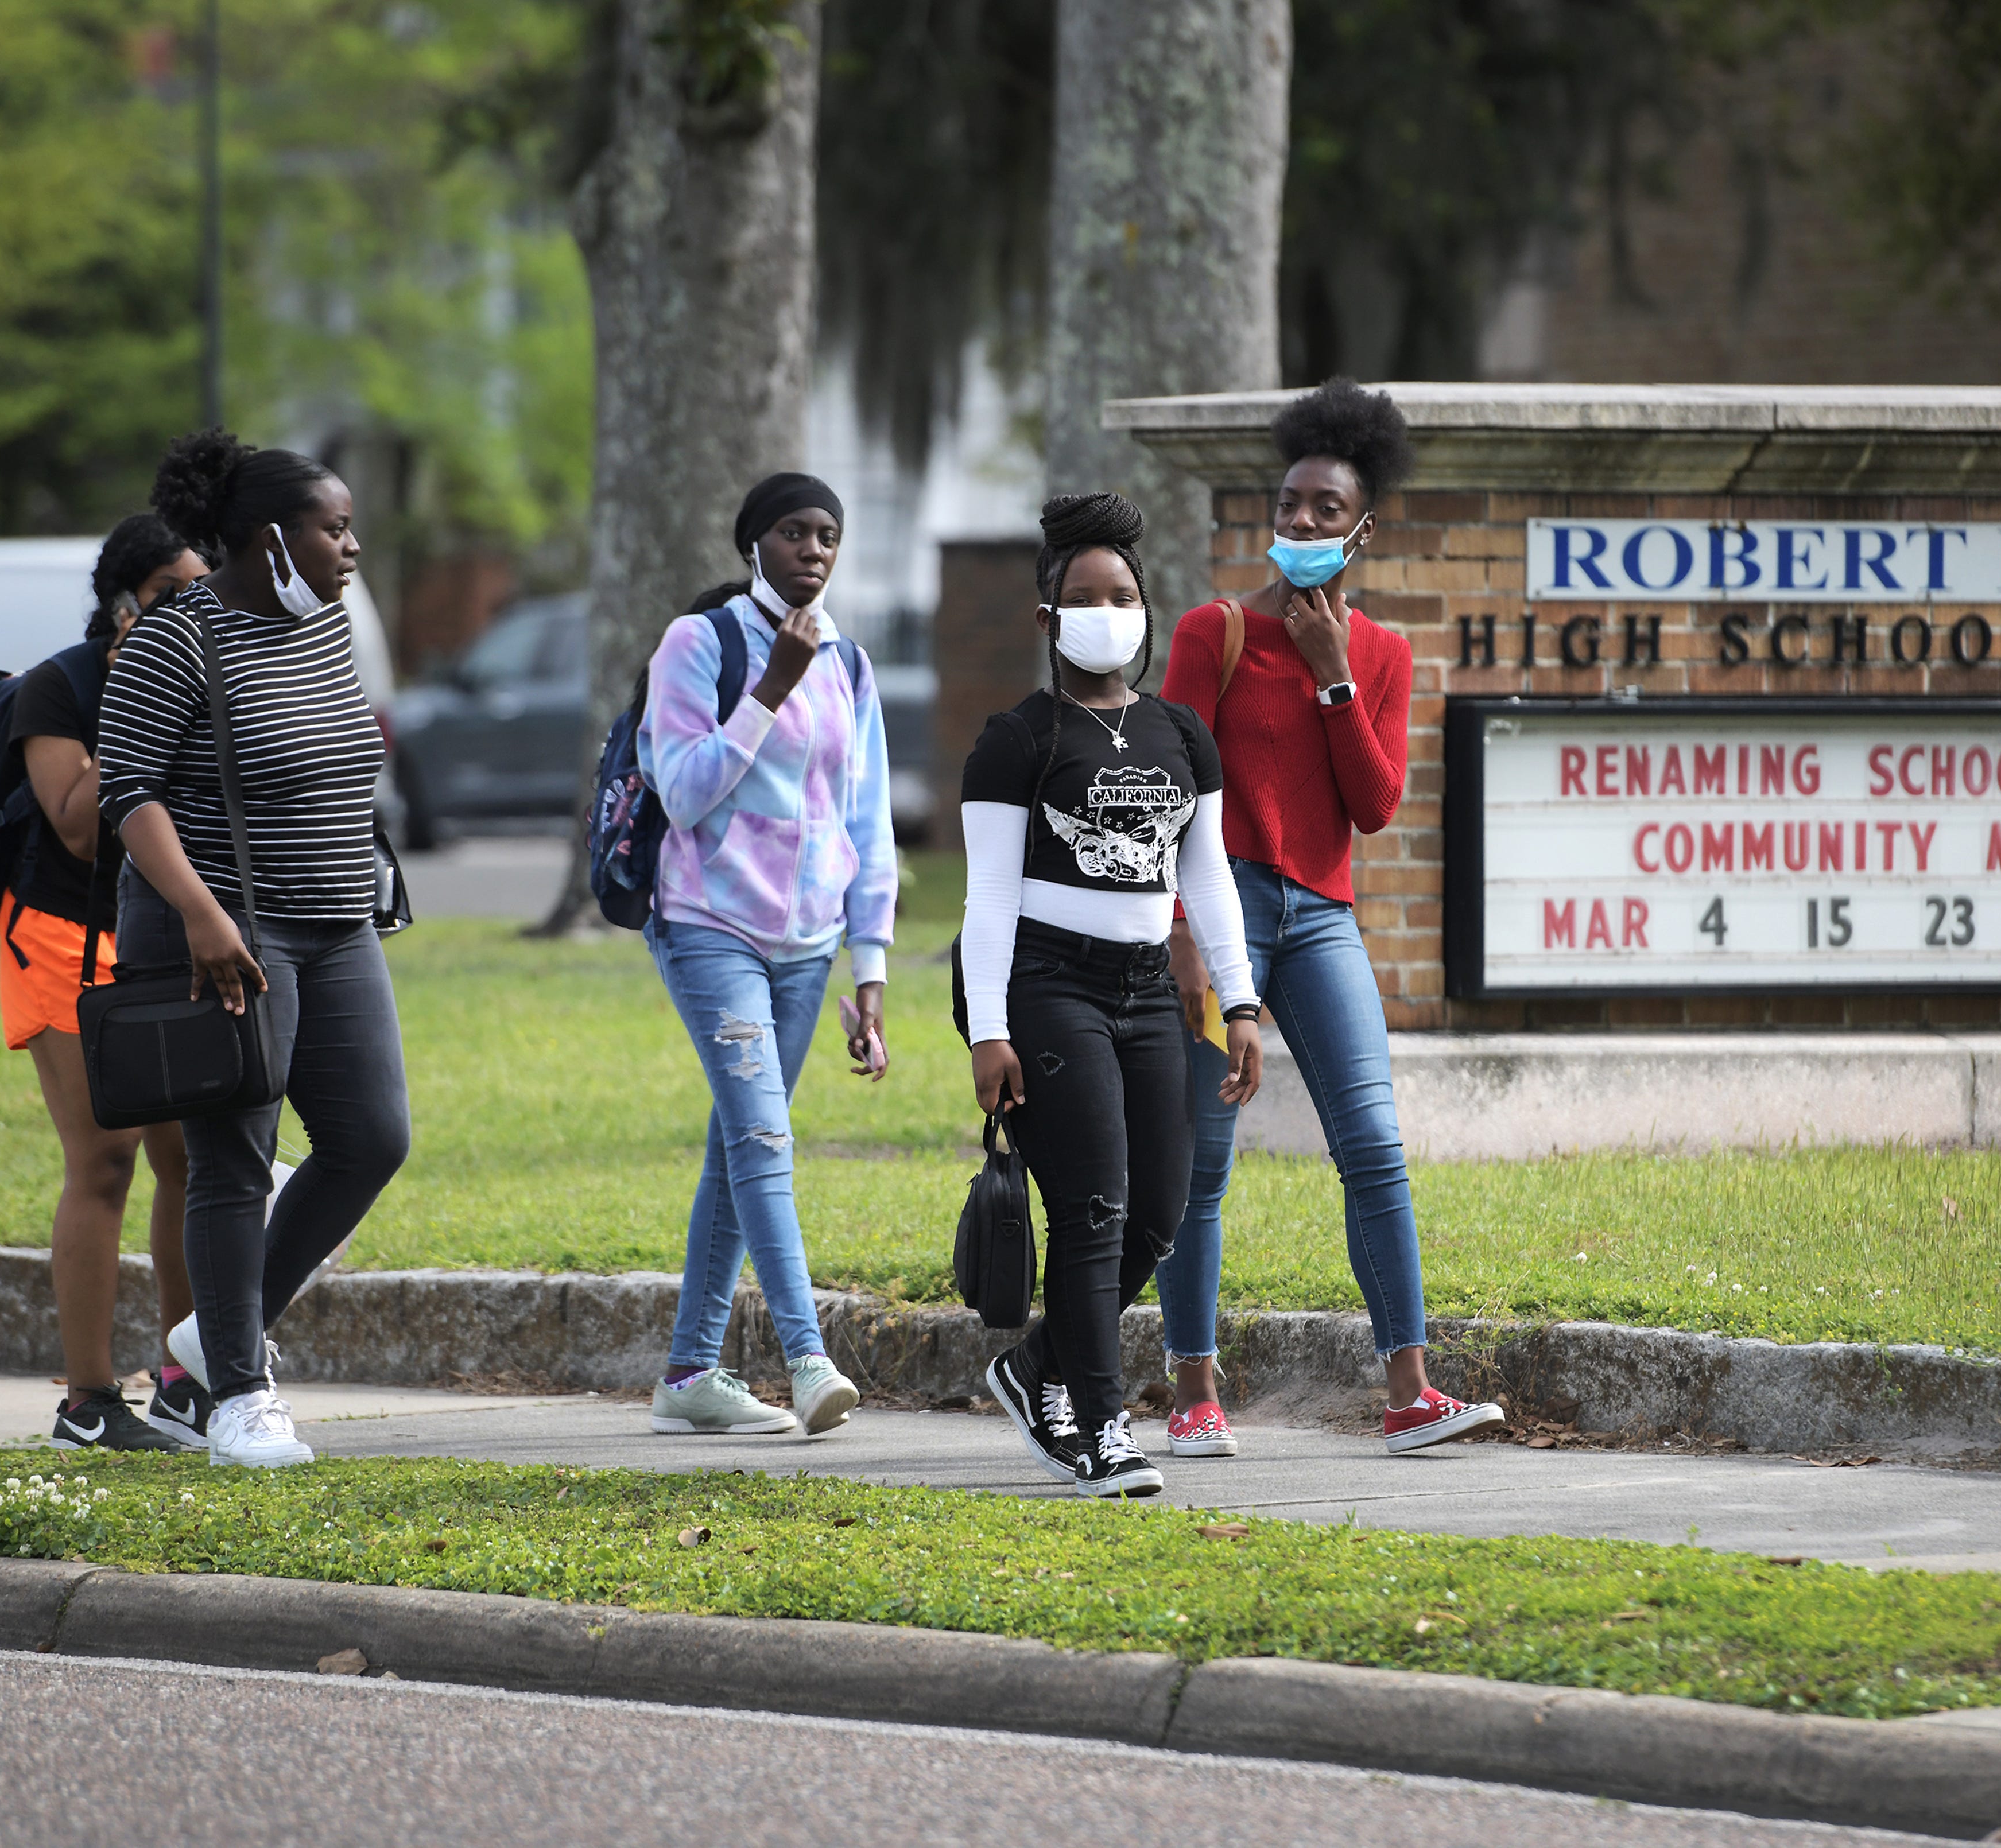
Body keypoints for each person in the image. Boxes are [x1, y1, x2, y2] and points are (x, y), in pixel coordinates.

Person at [1155, 378, 1505, 1458]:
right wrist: (1179, 931)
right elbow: (1165, 793)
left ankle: (1408, 1390)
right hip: (1222, 909)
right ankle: (1194, 1391)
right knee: (1202, 1156)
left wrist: (1332, 676)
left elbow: (1377, 804)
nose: (1300, 523)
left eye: (1324, 508)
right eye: (1288, 504)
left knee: (1375, 1147)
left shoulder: (1384, 656)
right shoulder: (1213, 633)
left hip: (1321, 917)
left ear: (1362, 527)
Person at [100, 429, 411, 1469]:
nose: (351, 545)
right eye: (336, 527)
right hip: (230, 933)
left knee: (371, 1136)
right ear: (272, 538)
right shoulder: (174, 640)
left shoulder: (321, 627)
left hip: (336, 923)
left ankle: (211, 1336)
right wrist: (199, 913)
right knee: (231, 1162)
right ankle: (234, 1391)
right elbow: (128, 791)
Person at [962, 492, 1264, 1500]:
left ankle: (1037, 1365)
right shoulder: (1018, 739)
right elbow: (989, 896)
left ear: (1144, 607)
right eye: (1084, 598)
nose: (1108, 612)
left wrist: (1241, 1003)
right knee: (1092, 1207)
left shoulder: (1182, 732)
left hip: (1143, 990)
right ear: (1049, 620)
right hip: (1044, 984)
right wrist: (989, 1029)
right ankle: (1100, 1425)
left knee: (1162, 1210)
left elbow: (1209, 879)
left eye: (1123, 594)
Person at [637, 472, 893, 1439]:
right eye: (793, 533)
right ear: (754, 544)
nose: (813, 551)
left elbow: (865, 821)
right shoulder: (698, 643)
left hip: (810, 947)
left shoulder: (852, 664)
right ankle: (806, 1354)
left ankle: (690, 1374)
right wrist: (769, 691)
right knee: (763, 1140)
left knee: (738, 1148)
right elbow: (684, 790)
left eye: (828, 534)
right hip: (711, 926)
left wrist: (869, 964)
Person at [6, 513, 205, 1452]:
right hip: (57, 936)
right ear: (124, 602)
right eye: (173, 593)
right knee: (105, 1160)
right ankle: (87, 1401)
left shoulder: (203, 671)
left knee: (188, 1158)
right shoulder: (60, 685)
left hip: (153, 935)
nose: (192, 609)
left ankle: (185, 1377)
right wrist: (133, 677)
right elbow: (82, 827)